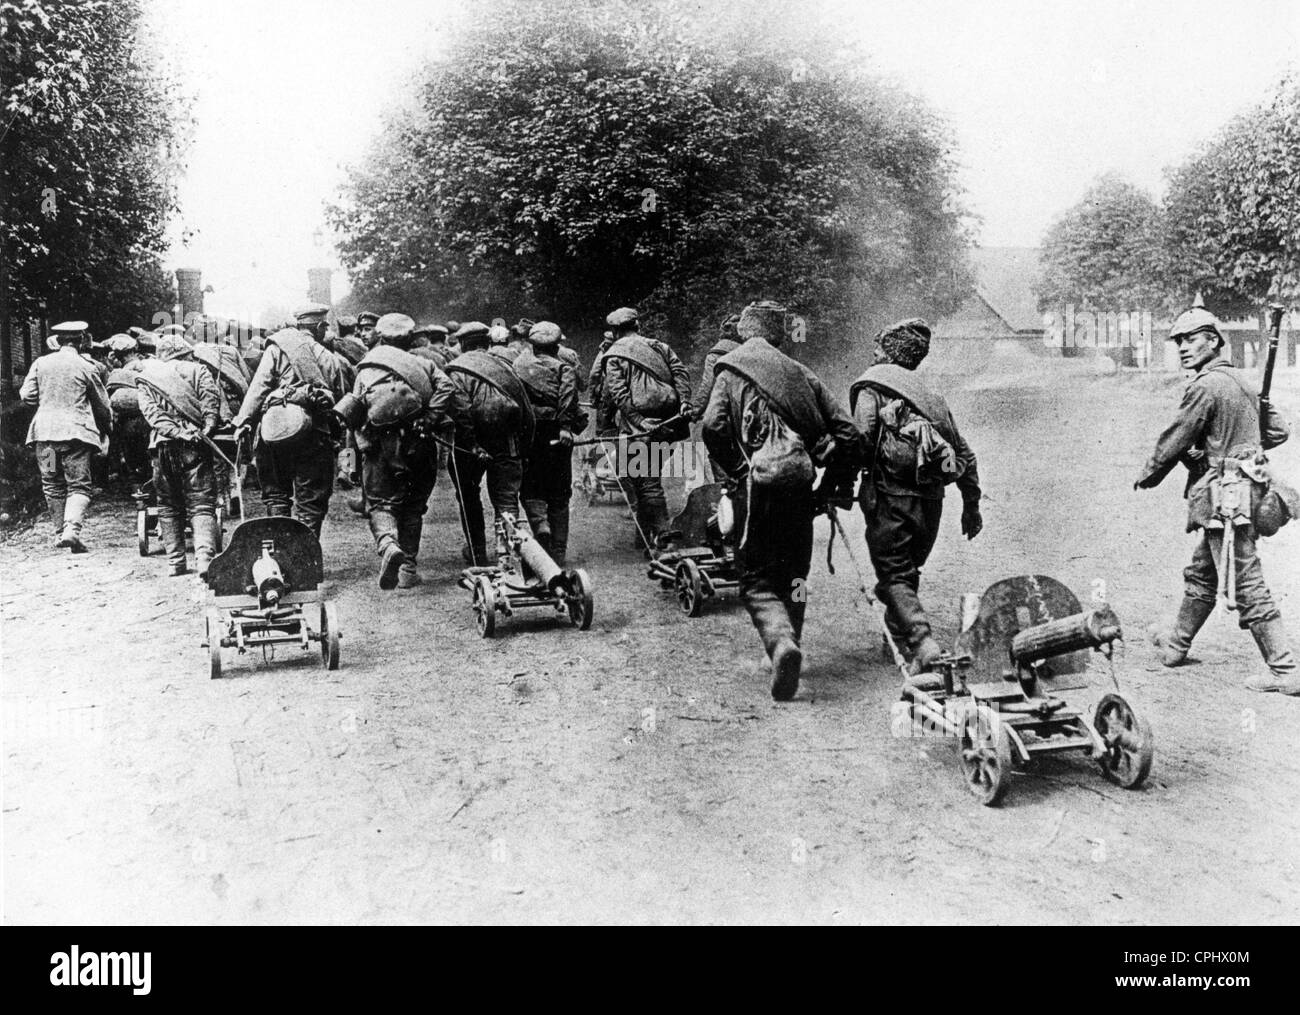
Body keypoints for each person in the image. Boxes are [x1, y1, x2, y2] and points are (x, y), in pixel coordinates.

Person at [703, 301, 862, 701]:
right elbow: (850, 434)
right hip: (800, 486)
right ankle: (792, 641)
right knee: (795, 572)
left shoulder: (730, 370)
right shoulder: (802, 373)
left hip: (756, 489)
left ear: (744, 331)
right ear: (777, 335)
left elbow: (712, 427)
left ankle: (779, 643)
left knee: (755, 575)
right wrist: (831, 486)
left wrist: (737, 471)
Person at [1138, 301, 1296, 694]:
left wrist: (1149, 474)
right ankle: (1175, 645)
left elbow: (1177, 436)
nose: (1184, 348)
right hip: (1248, 490)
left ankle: (1285, 669)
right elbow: (1275, 431)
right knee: (1204, 570)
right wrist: (1233, 446)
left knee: (1245, 581)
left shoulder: (1205, 386)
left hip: (1227, 497)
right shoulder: (1242, 380)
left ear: (1213, 341)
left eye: (1192, 339)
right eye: (1179, 342)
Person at [849, 318, 982, 673]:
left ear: (889, 353)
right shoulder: (932, 397)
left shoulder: (871, 388)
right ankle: (898, 636)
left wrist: (837, 482)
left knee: (894, 574)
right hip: (931, 502)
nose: (873, 354)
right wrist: (971, 506)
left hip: (889, 498)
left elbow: (861, 441)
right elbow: (964, 453)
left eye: (878, 348)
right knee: (908, 570)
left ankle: (923, 642)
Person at [334, 313, 460, 589]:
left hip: (378, 447)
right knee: (414, 506)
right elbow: (447, 387)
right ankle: (408, 570)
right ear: (410, 338)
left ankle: (388, 543)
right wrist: (430, 417)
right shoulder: (423, 363)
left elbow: (352, 419)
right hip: (418, 441)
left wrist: (349, 463)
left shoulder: (366, 368)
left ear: (380, 337)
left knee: (380, 504)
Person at [231, 307, 350, 537]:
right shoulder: (330, 359)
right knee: (311, 501)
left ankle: (281, 552)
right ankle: (305, 555)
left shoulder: (278, 348)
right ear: (319, 327)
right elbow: (338, 402)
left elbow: (259, 387)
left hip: (274, 432)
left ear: (299, 325)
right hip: (314, 434)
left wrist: (243, 422)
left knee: (276, 496)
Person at [601, 306, 695, 550]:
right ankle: (643, 537)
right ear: (637, 326)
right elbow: (680, 373)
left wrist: (640, 422)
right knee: (647, 477)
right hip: (668, 423)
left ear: (615, 330)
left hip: (638, 428)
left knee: (646, 481)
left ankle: (664, 535)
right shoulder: (659, 347)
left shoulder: (614, 354)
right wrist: (684, 401)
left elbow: (619, 394)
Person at [444, 322, 532, 564]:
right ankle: (507, 553)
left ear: (462, 345)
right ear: (487, 343)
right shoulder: (506, 366)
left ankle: (477, 553)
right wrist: (524, 446)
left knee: (468, 496)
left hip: (468, 445)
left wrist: (471, 444)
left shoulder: (455, 370)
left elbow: (461, 411)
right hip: (506, 441)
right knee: (506, 499)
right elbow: (525, 408)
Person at [19, 321, 112, 551]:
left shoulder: (41, 363)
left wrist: (47, 402)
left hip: (46, 438)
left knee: (52, 482)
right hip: (75, 439)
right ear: (81, 341)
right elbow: (102, 405)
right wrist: (106, 428)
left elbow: (26, 395)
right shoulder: (84, 366)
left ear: (58, 341)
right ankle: (71, 531)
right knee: (79, 485)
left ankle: (60, 532)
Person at [134, 336, 222, 576]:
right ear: (185, 353)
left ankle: (176, 562)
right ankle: (204, 560)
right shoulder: (199, 370)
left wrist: (175, 432)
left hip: (162, 446)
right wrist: (206, 429)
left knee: (168, 505)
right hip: (196, 444)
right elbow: (211, 404)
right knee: (202, 503)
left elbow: (152, 414)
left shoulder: (147, 377)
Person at [514, 321, 587, 564]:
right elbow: (568, 399)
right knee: (559, 488)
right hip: (557, 432)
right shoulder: (563, 368)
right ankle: (558, 551)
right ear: (556, 346)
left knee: (531, 482)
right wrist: (566, 427)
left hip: (529, 431)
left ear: (532, 345)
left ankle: (540, 524)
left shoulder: (519, 366)